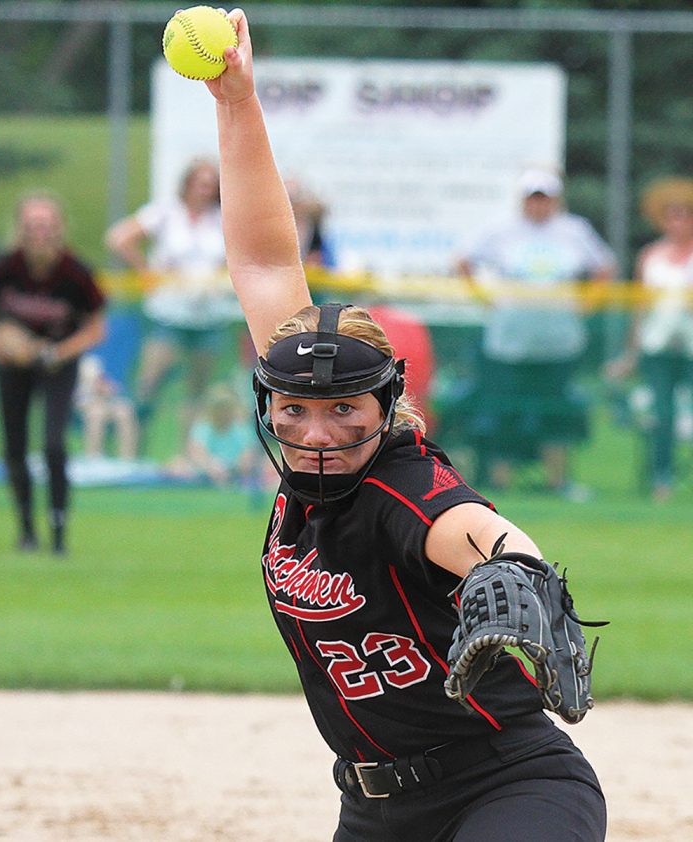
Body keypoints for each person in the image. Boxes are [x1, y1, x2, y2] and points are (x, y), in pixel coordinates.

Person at [200, 11, 606, 841]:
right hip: (376, 812)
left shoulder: (404, 488)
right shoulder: (304, 465)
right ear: (269, 404)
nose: (316, 431)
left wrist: (514, 575)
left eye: (344, 410)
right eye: (294, 409)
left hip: (511, 787)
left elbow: (486, 534)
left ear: (387, 408)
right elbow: (264, 261)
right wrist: (236, 102)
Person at [455, 168, 615, 495]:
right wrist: (484, 299)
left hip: (559, 342)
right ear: (523, 200)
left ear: (555, 200)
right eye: (533, 198)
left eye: (545, 198)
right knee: (504, 410)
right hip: (510, 343)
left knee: (556, 412)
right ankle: (500, 480)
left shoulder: (574, 230)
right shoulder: (501, 229)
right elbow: (463, 260)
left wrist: (588, 304)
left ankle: (557, 481)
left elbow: (604, 265)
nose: (538, 204)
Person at [0, 193, 106, 554]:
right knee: (14, 446)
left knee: (53, 444)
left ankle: (59, 530)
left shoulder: (75, 273)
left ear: (59, 228)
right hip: (12, 365)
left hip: (57, 365)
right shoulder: (7, 267)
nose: (40, 232)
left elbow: (96, 328)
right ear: (20, 229)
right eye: (33, 225)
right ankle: (26, 529)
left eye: (47, 224)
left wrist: (57, 352)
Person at [105, 158, 230, 452]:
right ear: (187, 184)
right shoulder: (165, 213)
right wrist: (146, 271)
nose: (205, 190)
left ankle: (188, 454)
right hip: (169, 314)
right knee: (149, 383)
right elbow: (118, 238)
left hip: (209, 316)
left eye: (210, 185)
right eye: (200, 183)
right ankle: (131, 448)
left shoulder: (223, 219)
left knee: (198, 390)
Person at [605, 177, 693, 501]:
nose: (678, 223)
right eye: (672, 217)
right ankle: (662, 477)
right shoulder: (651, 256)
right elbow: (639, 309)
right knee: (663, 414)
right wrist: (630, 354)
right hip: (658, 346)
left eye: (684, 216)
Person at [164, 381, 262, 488]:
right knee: (178, 465)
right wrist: (211, 466)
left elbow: (248, 455)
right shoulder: (203, 428)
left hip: (235, 471)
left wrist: (236, 467)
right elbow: (196, 452)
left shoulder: (241, 429)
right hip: (205, 471)